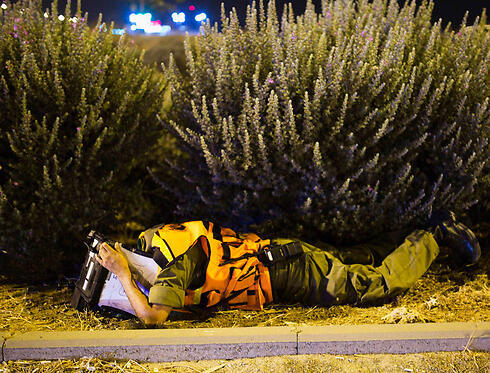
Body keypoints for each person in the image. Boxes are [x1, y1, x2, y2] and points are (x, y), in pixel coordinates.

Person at [95, 211, 481, 325]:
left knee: (370, 286)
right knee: (352, 258)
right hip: (279, 255)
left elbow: (152, 317)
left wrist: (123, 275)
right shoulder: (156, 240)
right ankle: (417, 230)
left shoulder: (171, 271)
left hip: (285, 271)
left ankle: (435, 235)